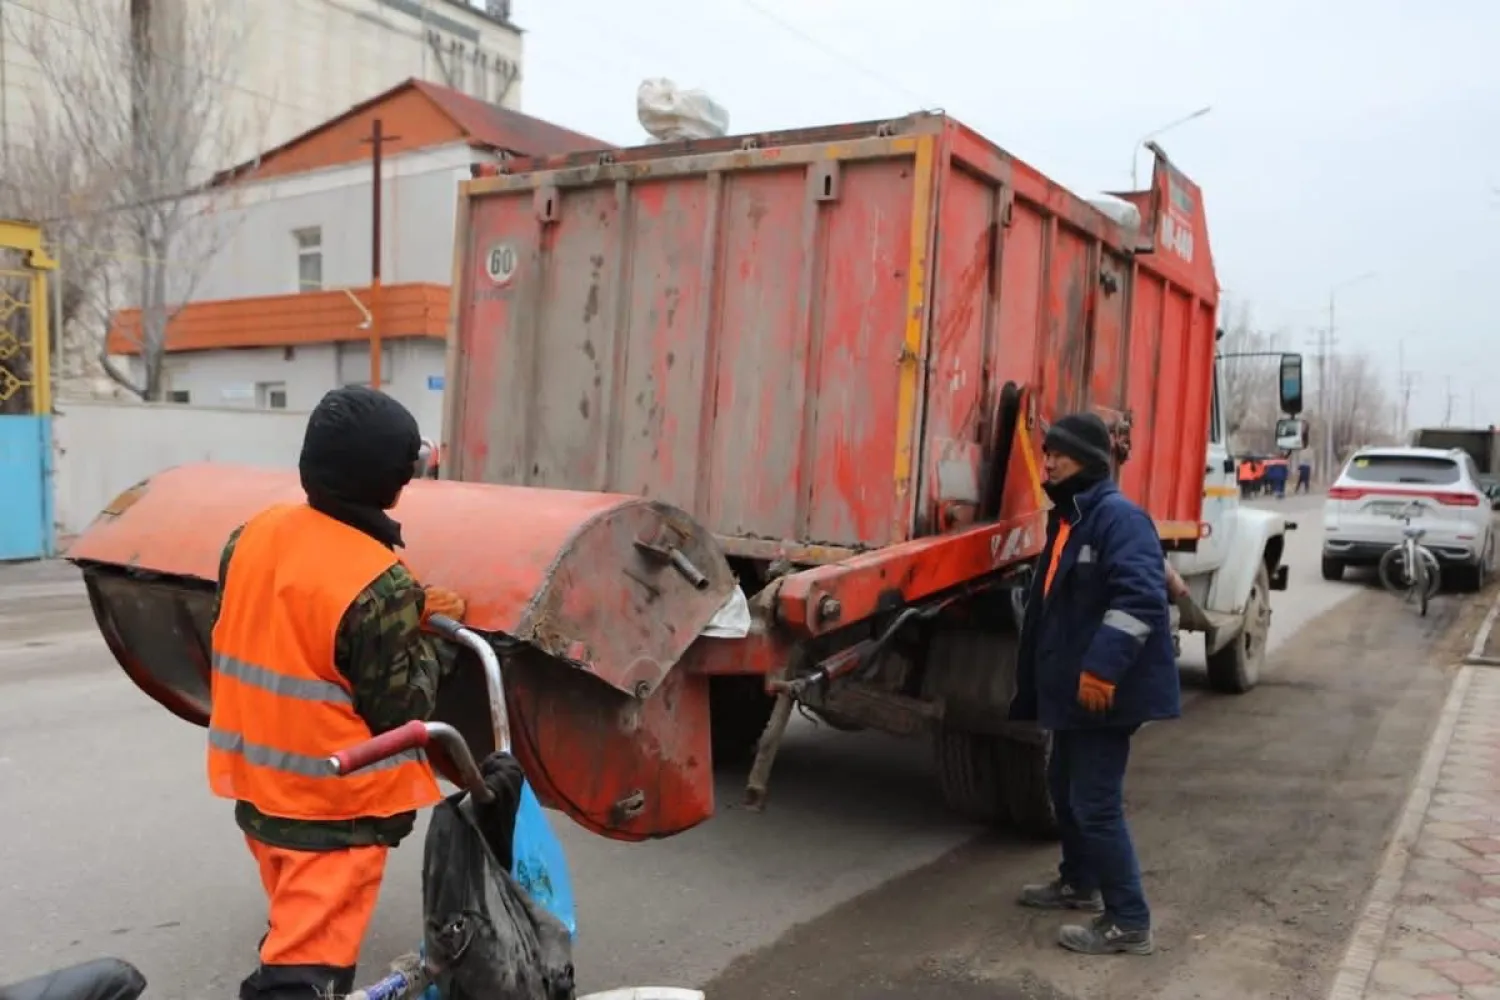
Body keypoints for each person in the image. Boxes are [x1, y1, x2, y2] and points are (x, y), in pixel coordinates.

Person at [207, 385, 480, 1000]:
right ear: (391, 484)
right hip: (331, 813)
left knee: (292, 929)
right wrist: (437, 641)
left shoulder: (251, 534)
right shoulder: (376, 585)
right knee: (306, 978)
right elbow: (400, 713)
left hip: (259, 790)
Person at [1010, 412, 1181, 956]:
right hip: (1075, 693)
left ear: (1086, 459)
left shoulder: (1118, 519)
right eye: (1047, 451)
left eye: (1058, 452)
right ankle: (1078, 882)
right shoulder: (1070, 520)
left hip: (1108, 692)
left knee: (1095, 803)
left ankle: (1129, 921)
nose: (1048, 460)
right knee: (1063, 788)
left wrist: (1103, 668)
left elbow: (1140, 600)